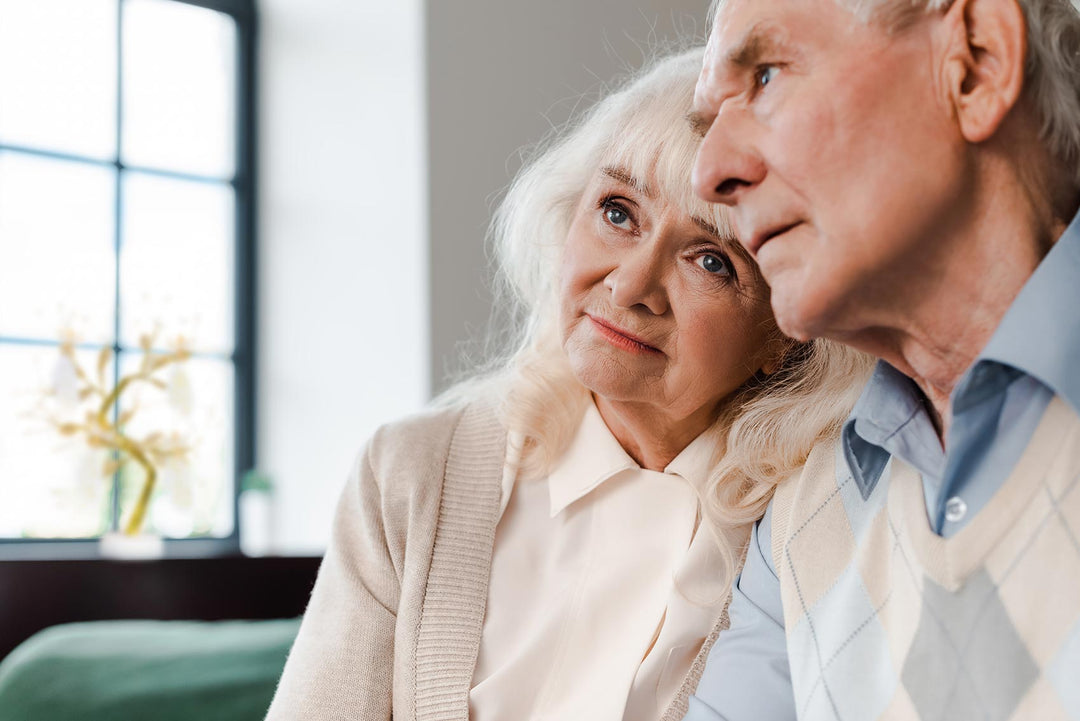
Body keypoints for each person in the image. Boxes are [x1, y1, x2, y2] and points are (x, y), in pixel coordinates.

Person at [265, 48, 868, 721]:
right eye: (618, 212)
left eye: (710, 260)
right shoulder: (411, 472)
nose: (630, 285)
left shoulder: (817, 526)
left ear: (781, 328)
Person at [683, 0, 1080, 718]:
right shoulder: (802, 524)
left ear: (975, 63)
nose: (708, 172)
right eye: (709, 122)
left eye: (766, 76)